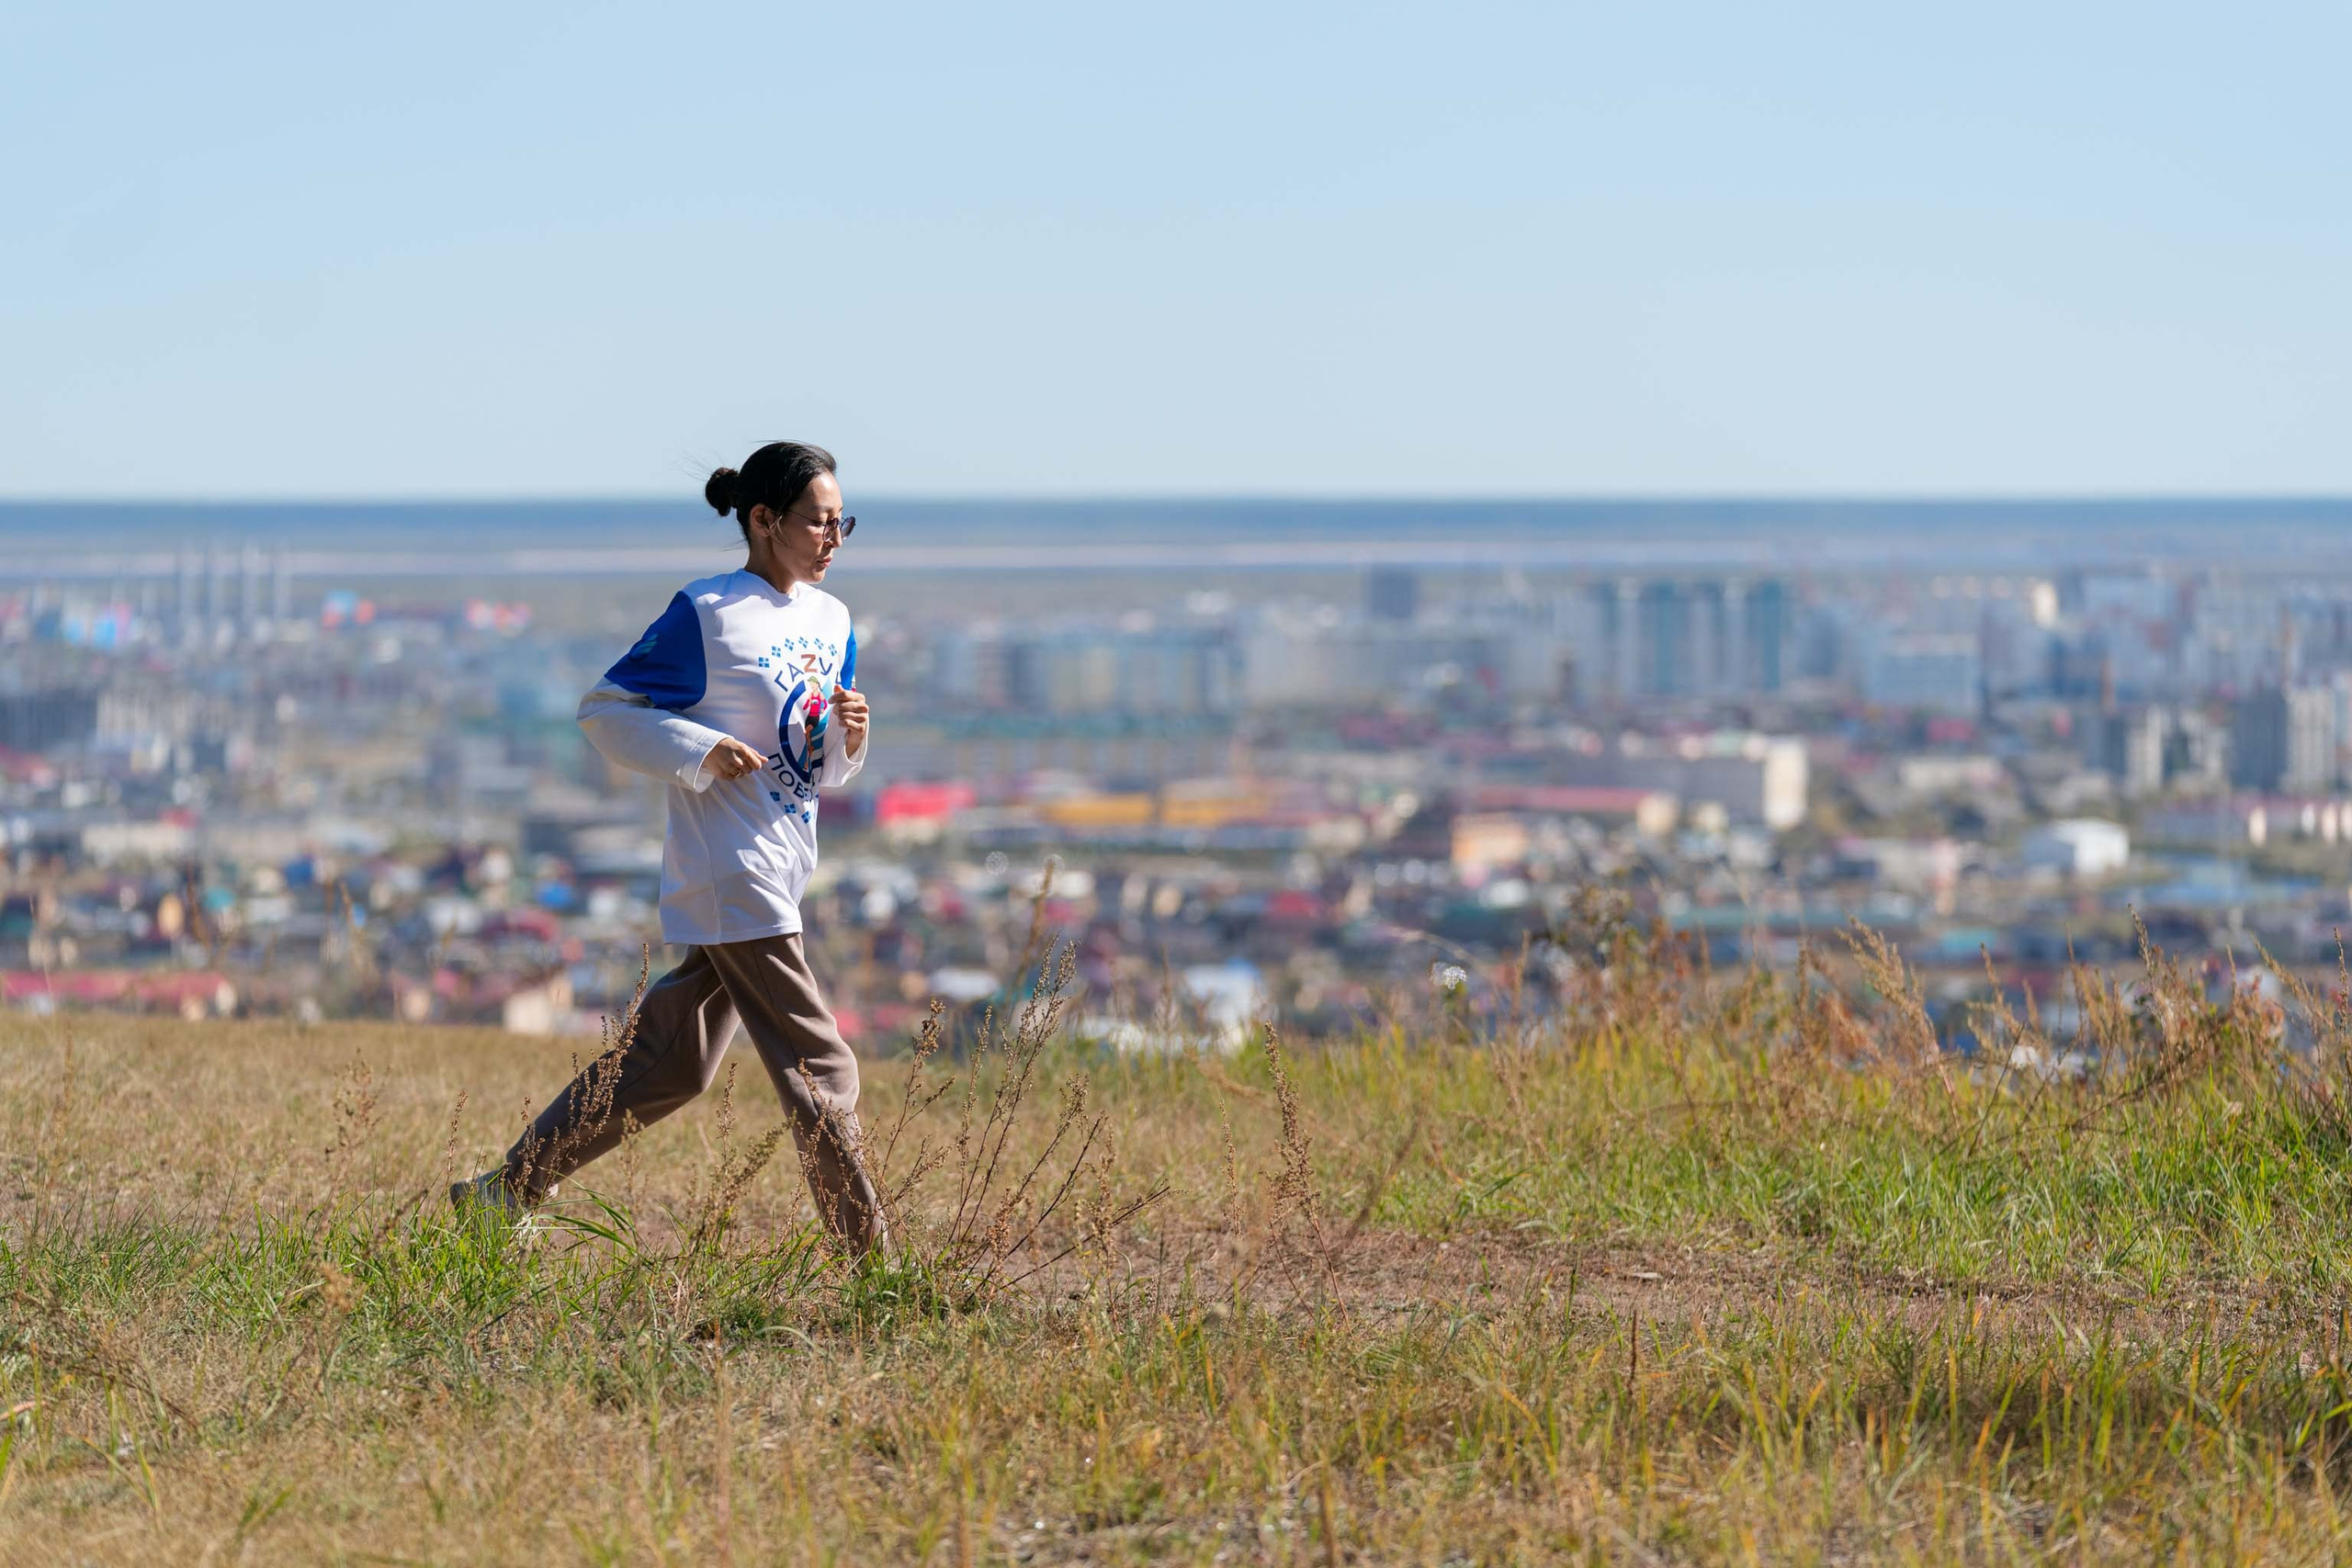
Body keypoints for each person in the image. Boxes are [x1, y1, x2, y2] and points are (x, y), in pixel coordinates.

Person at [451, 440, 884, 1254]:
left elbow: (812, 760)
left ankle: (499, 1198)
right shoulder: (710, 611)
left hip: (783, 862)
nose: (835, 539)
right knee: (824, 1069)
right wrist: (698, 750)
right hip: (732, 868)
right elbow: (605, 709)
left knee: (672, 1063)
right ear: (763, 521)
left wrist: (848, 739)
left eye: (843, 523)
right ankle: (879, 1272)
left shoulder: (834, 621)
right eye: (819, 522)